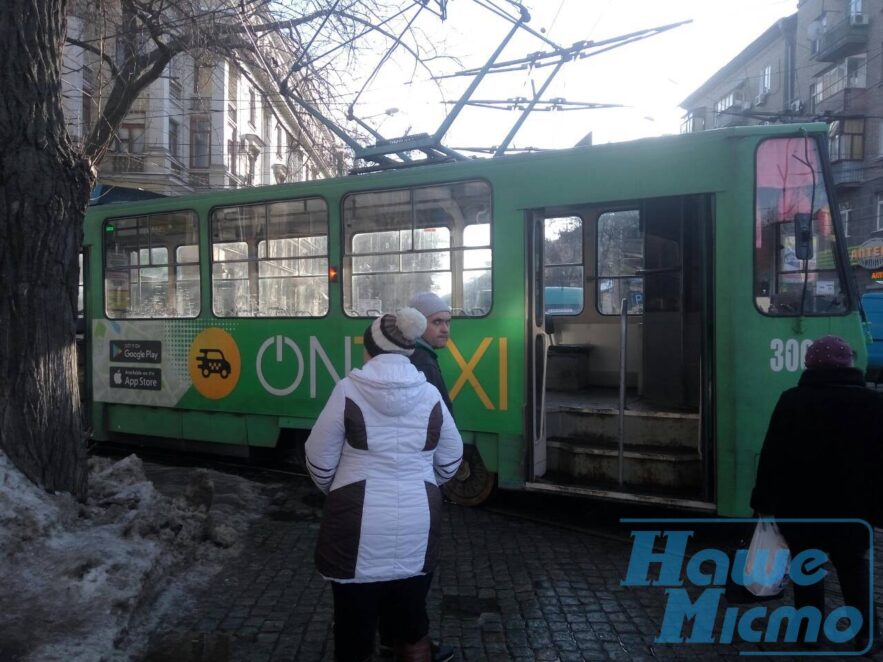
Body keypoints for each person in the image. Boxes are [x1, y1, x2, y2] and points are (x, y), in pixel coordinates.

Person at [305, 308, 463, 662]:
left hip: (354, 526)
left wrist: (341, 487)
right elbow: (452, 458)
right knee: (411, 623)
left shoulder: (348, 390)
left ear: (370, 349)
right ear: (407, 350)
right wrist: (421, 480)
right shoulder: (429, 395)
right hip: (417, 522)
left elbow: (318, 458)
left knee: (354, 630)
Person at [751, 335, 883, 653]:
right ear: (848, 364)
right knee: (853, 569)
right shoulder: (872, 403)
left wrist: (763, 502)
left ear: (810, 364)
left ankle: (808, 636)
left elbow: (772, 456)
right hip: (852, 510)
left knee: (807, 570)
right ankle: (869, 635)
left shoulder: (791, 399)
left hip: (800, 508)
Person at [407, 292, 454, 414]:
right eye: (437, 322)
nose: (445, 329)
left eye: (447, 322)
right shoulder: (423, 362)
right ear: (417, 324)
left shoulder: (412, 354)